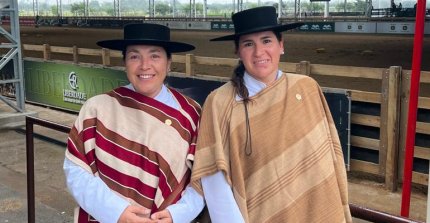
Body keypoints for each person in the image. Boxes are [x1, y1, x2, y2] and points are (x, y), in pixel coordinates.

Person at [188, 6, 353, 222]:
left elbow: (328, 160)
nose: (259, 52)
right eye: (248, 44)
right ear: (237, 51)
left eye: (266, 41)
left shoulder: (307, 88)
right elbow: (214, 178)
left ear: (281, 45)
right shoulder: (220, 102)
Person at [63, 23, 205, 223]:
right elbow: (76, 169)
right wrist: (116, 212)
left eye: (155, 56)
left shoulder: (191, 114)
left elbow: (202, 178)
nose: (145, 65)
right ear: (125, 63)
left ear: (169, 62)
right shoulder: (98, 109)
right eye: (134, 56)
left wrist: (178, 215)